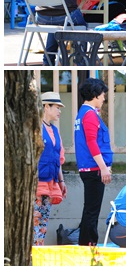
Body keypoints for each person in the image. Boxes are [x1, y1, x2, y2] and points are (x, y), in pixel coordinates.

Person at [75, 78, 113, 246]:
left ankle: (86, 244)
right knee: (92, 210)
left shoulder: (84, 112)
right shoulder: (89, 114)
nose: (104, 98)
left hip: (89, 168)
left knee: (90, 209)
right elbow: (92, 142)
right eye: (103, 94)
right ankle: (89, 245)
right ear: (96, 94)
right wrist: (103, 168)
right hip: (93, 169)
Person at [34, 92, 67, 245]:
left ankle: (38, 251)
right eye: (57, 107)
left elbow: (58, 159)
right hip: (36, 183)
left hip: (51, 182)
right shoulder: (35, 127)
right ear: (46, 107)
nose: (59, 111)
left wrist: (61, 181)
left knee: (43, 222)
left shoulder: (54, 130)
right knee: (34, 220)